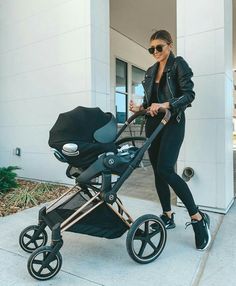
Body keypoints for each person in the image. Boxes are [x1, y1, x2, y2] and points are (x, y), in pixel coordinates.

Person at [129, 29, 211, 251]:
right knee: (158, 170)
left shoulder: (178, 65)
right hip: (154, 124)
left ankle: (197, 217)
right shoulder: (150, 71)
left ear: (170, 46)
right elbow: (151, 104)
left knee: (166, 169)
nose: (155, 52)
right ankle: (167, 215)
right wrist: (141, 108)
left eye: (159, 47)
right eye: (151, 49)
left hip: (173, 122)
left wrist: (166, 104)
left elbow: (189, 95)